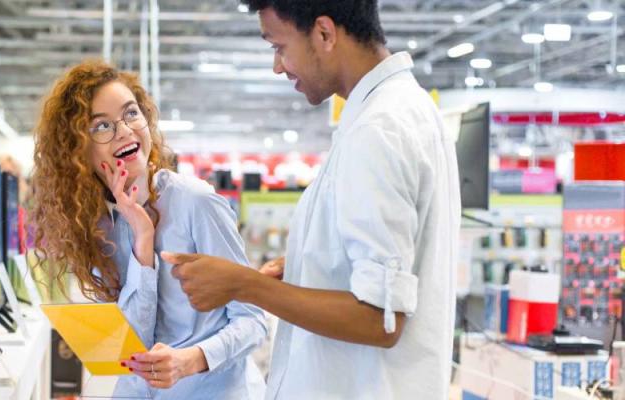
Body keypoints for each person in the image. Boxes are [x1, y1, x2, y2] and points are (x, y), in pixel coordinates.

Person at [161, 1, 461, 399]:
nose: (278, 66)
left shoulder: (377, 130)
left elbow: (380, 319)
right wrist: (313, 262)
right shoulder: (401, 111)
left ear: (324, 33)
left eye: (279, 46)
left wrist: (244, 286)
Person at [30, 59, 267, 399]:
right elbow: (135, 342)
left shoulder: (195, 202)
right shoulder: (93, 223)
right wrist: (143, 242)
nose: (125, 131)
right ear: (77, 150)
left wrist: (192, 359)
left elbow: (253, 320)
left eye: (131, 114)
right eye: (101, 127)